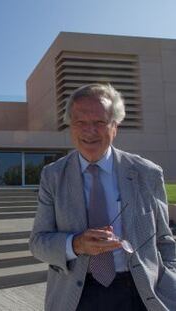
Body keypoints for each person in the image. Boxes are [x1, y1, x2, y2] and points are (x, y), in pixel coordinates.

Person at [29, 84, 176, 311]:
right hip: (78, 296)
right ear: (70, 127)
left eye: (100, 122)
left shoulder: (148, 173)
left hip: (140, 293)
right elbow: (38, 243)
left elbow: (165, 241)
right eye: (81, 122)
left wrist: (169, 282)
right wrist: (75, 244)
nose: (90, 131)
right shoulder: (53, 176)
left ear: (115, 126)